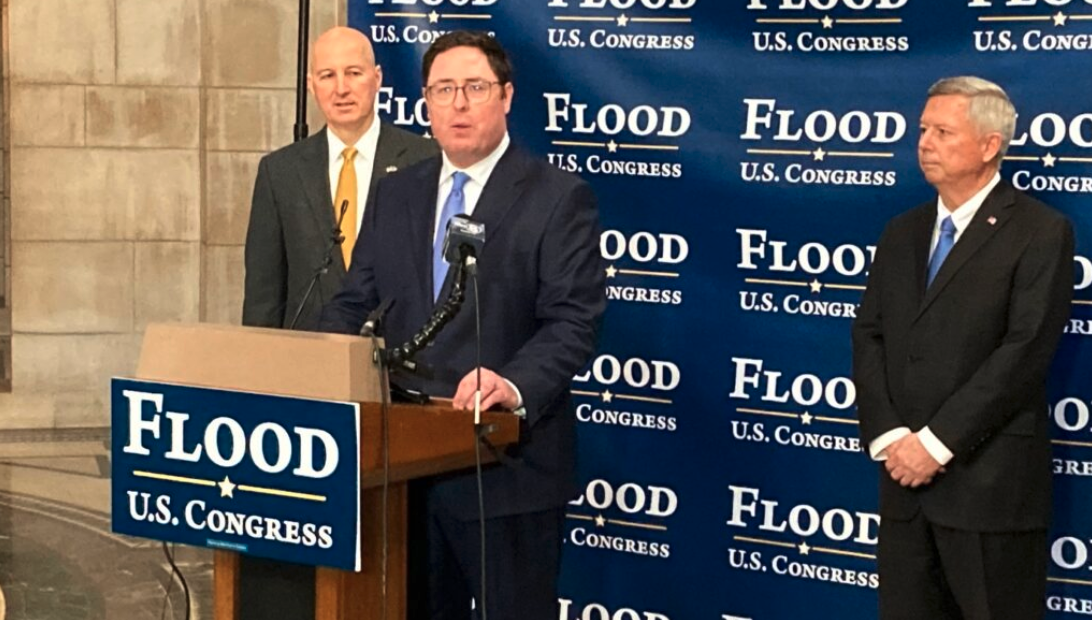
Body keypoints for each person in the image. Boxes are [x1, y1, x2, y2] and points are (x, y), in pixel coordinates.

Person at [321, 30, 606, 620]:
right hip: (403, 467)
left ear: (506, 96)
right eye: (442, 89)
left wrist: (511, 384)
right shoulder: (396, 192)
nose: (457, 103)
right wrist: (307, 365)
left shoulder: (557, 197)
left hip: (507, 465)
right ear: (424, 101)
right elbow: (357, 302)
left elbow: (572, 322)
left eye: (474, 87)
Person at [853, 76, 1074, 620]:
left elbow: (1024, 350)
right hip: (904, 492)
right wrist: (890, 437)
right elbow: (870, 333)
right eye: (923, 129)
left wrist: (936, 443)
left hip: (989, 492)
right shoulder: (901, 232)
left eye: (943, 131)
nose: (925, 141)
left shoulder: (1041, 231)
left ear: (989, 146)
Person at [243, 26, 437, 331]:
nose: (341, 88)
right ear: (311, 85)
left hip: (404, 359)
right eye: (327, 76)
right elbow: (263, 297)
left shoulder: (426, 160)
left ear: (377, 78)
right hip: (309, 363)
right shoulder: (279, 171)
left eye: (354, 73)